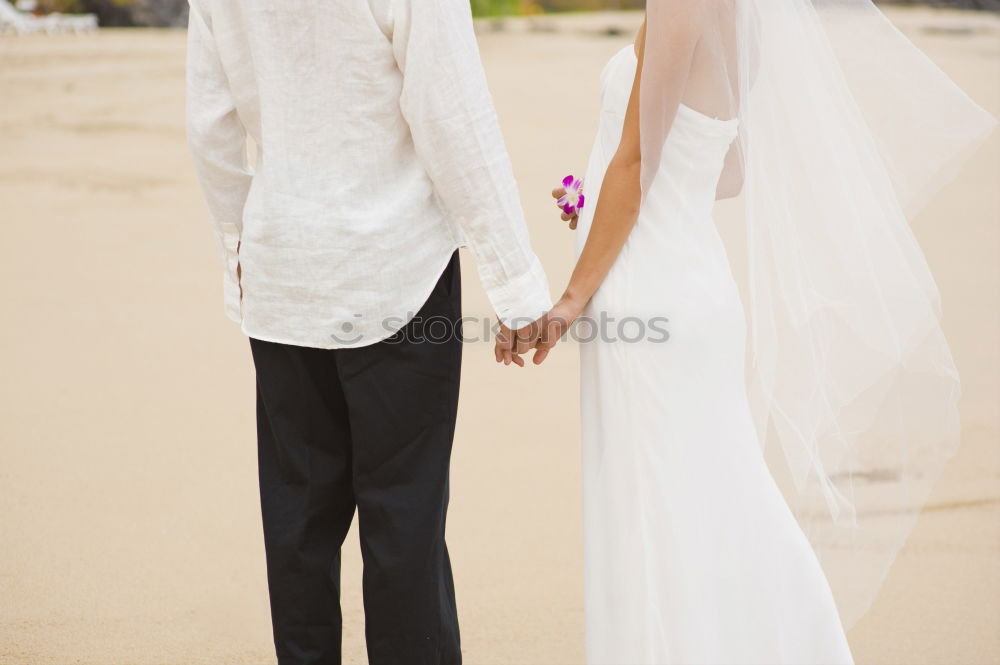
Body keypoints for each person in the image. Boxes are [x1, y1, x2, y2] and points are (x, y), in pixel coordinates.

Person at [514, 1, 996, 663]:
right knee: (712, 498)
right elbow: (728, 168)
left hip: (650, 298)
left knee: (656, 513)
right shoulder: (744, 14)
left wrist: (569, 298)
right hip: (696, 288)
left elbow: (634, 165)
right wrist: (596, 197)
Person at [185, 1, 551, 663]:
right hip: (395, 269)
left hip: (285, 267)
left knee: (298, 527)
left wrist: (242, 243)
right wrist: (516, 281)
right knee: (404, 523)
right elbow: (451, 114)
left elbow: (209, 123)